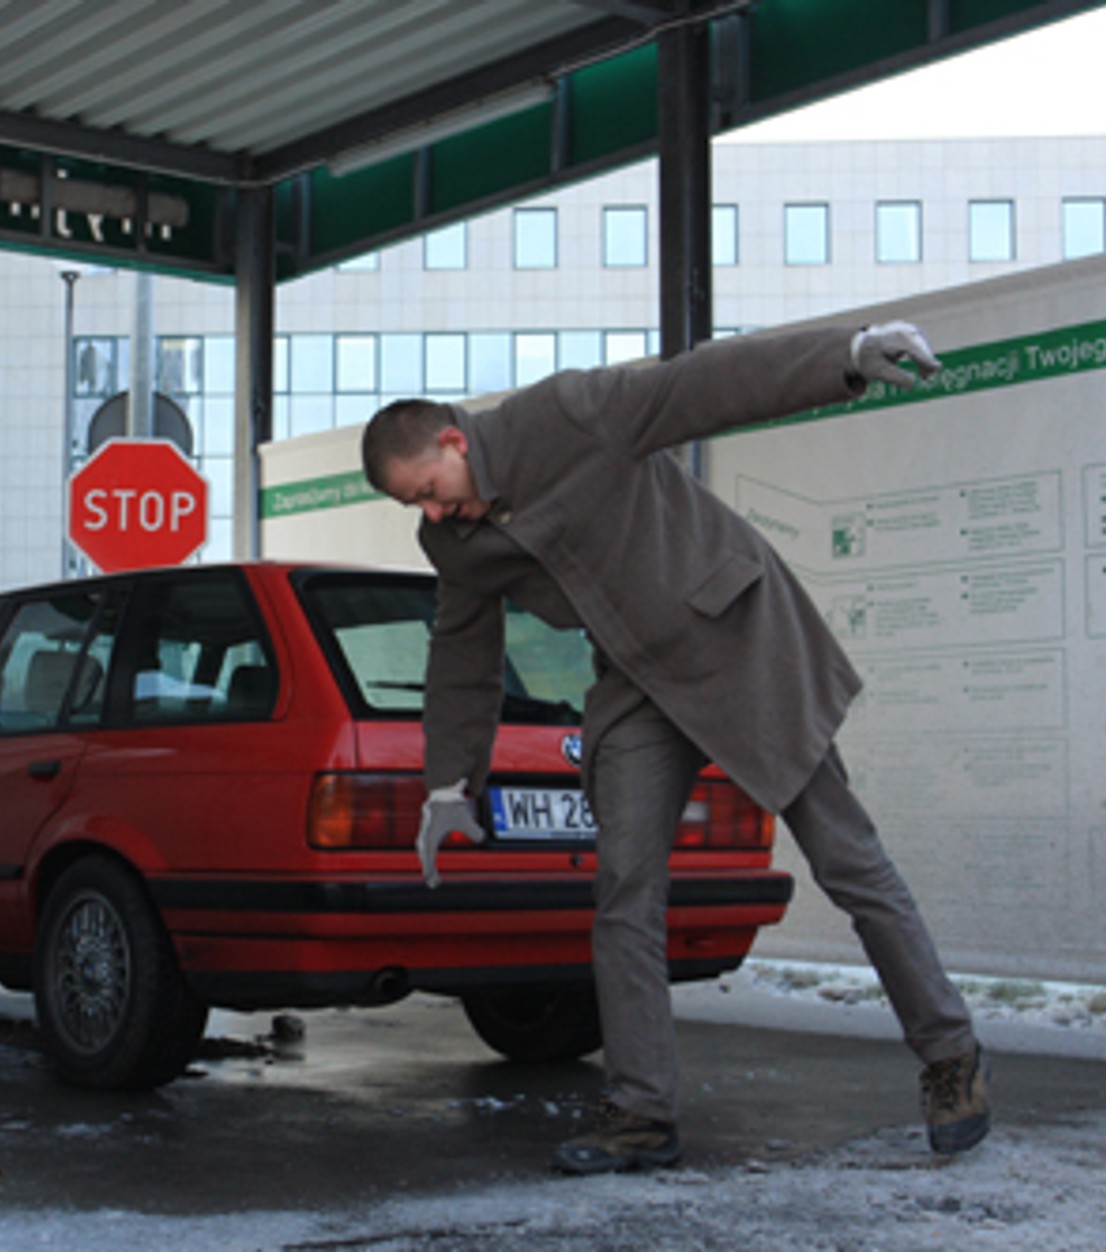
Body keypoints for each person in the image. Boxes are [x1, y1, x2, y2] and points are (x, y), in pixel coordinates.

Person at [360, 322, 991, 1175]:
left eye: (431, 489)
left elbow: (704, 384)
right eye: (416, 508)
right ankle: (641, 1112)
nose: (433, 514)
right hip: (637, 682)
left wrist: (844, 355)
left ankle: (950, 1058)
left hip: (737, 640)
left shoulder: (568, 414)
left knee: (848, 862)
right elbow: (461, 654)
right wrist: (447, 788)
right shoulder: (455, 542)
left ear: (453, 439)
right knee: (625, 891)